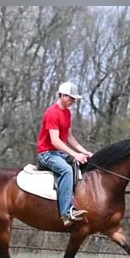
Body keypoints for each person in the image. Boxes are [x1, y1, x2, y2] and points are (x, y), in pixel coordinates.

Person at [36, 81, 93, 226]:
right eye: (72, 98)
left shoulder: (67, 113)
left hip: (58, 153)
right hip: (46, 154)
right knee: (67, 170)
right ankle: (66, 213)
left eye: (74, 99)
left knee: (80, 165)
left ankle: (76, 202)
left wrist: (84, 151)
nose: (73, 101)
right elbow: (55, 141)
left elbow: (68, 137)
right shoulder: (52, 113)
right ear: (63, 95)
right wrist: (74, 154)